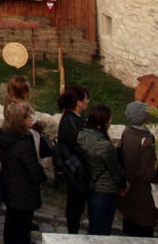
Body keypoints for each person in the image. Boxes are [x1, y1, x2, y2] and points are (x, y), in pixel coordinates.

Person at [0, 102, 50, 244]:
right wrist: (43, 177)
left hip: (10, 185)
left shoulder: (5, 136)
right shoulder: (23, 143)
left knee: (11, 221)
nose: (31, 119)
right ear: (21, 120)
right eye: (29, 117)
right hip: (23, 191)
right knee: (21, 228)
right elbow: (33, 168)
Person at [78, 103, 126, 236]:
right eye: (110, 119)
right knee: (102, 230)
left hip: (91, 185)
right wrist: (123, 185)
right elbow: (114, 169)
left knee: (94, 226)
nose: (111, 121)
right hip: (105, 189)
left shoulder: (81, 135)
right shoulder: (103, 145)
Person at [119, 101, 158, 237]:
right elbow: (148, 174)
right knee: (142, 233)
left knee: (129, 228)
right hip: (142, 197)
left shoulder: (127, 132)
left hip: (129, 189)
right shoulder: (146, 141)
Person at [57, 84, 91, 234]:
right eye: (86, 99)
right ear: (79, 102)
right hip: (76, 170)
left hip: (77, 170)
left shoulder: (74, 118)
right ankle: (73, 234)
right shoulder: (71, 121)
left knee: (76, 205)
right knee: (74, 206)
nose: (88, 101)